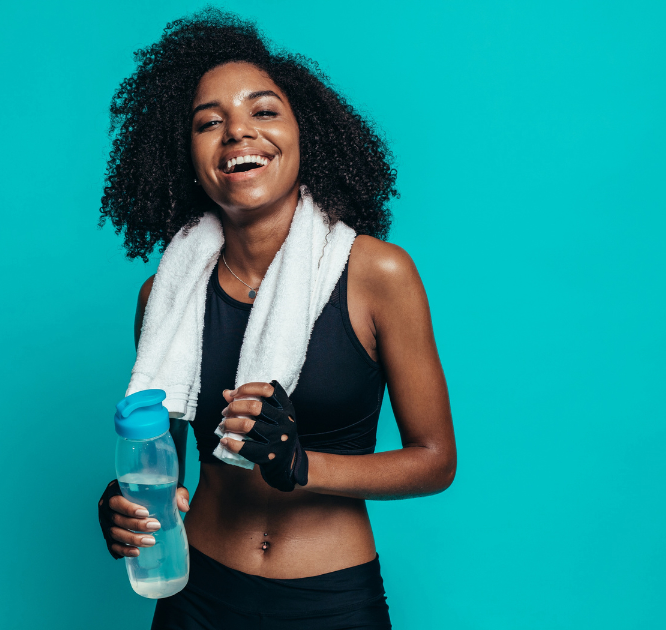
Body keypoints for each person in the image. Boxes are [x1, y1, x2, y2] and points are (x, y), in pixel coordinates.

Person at [96, 9, 456, 629]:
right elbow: (164, 468)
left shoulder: (378, 274)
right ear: (187, 153)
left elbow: (435, 460)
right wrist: (123, 503)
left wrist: (302, 465)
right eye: (210, 123)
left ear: (305, 133)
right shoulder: (165, 295)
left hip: (329, 600)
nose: (238, 133)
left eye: (263, 112)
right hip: (194, 593)